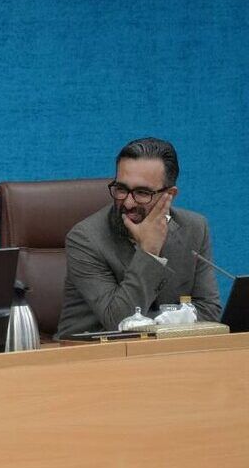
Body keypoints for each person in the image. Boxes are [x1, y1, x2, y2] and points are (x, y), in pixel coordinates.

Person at [57, 137, 221, 337]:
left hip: (169, 351)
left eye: (142, 193)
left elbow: (210, 312)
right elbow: (119, 321)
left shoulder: (194, 228)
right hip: (93, 351)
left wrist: (162, 322)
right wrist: (149, 251)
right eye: (121, 189)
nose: (127, 203)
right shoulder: (85, 239)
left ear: (170, 194)